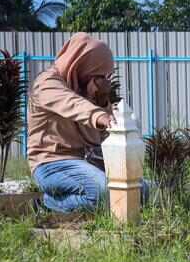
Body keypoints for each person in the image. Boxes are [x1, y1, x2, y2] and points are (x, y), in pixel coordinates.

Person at [27, 33, 148, 213]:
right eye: (100, 75)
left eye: (107, 76)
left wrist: (102, 100)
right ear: (83, 67)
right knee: (105, 193)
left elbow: (103, 134)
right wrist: (101, 116)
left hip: (88, 161)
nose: (104, 80)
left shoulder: (86, 88)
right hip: (52, 163)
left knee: (140, 191)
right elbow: (72, 104)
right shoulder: (46, 84)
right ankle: (48, 204)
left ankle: (69, 201)